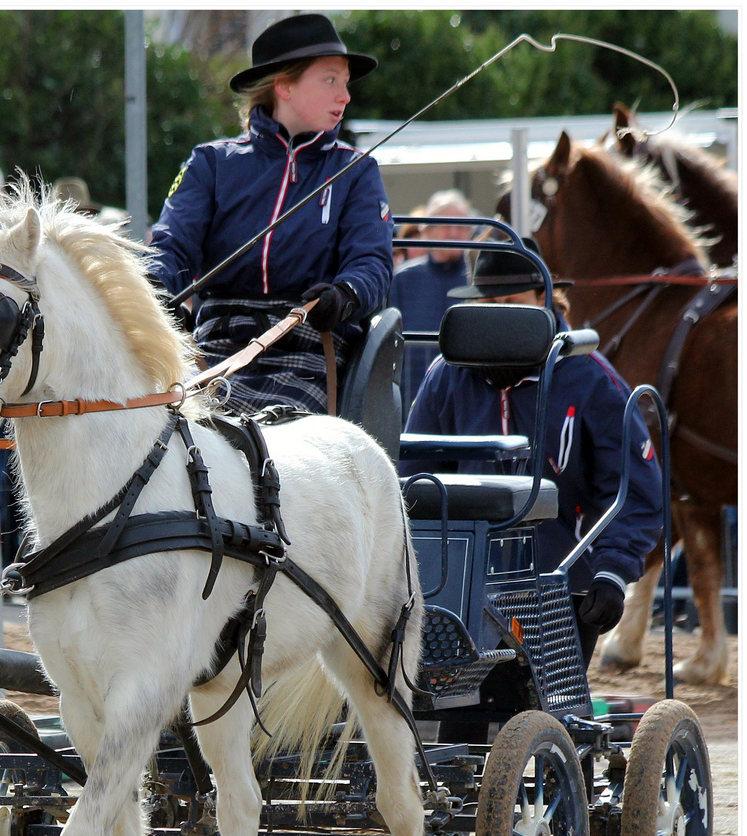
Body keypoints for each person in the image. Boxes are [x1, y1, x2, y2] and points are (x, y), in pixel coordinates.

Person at [400, 238, 665, 666]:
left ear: (544, 297)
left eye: (513, 300)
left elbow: (634, 489)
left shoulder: (592, 379)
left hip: (564, 582)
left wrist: (612, 572)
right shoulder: (445, 375)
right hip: (463, 580)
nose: (501, 312)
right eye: (490, 302)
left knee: (542, 713)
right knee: (458, 711)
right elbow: (416, 477)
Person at [149, 13, 392, 415]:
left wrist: (344, 295)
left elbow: (372, 264)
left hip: (309, 346)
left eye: (345, 82)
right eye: (331, 80)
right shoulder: (211, 163)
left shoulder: (356, 171)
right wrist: (155, 293)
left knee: (269, 436)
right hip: (214, 348)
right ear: (284, 85)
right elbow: (171, 247)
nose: (345, 96)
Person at [390, 189, 474, 408]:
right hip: (411, 393)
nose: (455, 233)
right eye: (447, 225)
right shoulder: (403, 279)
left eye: (462, 227)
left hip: (466, 393)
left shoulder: (477, 281)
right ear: (428, 230)